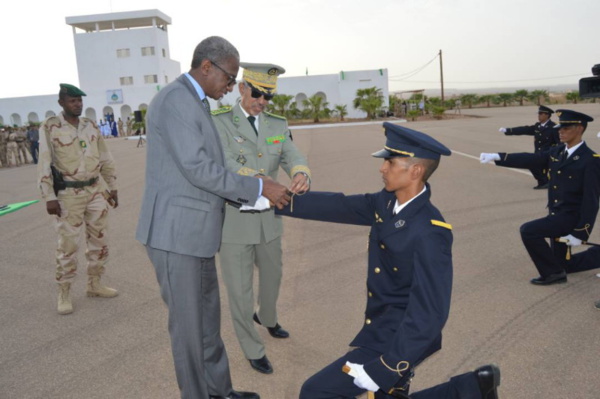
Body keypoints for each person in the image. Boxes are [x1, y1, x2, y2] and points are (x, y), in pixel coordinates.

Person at [276, 122, 500, 399]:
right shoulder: (386, 202)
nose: (382, 168)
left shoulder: (431, 231)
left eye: (390, 162)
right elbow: (340, 205)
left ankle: (467, 391)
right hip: (382, 325)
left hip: (399, 339)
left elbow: (430, 314)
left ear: (415, 170)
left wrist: (387, 368)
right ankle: (471, 390)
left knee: (316, 392)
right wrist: (277, 200)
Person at [136, 36, 291, 399]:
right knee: (189, 333)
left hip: (198, 235)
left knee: (207, 325)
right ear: (207, 66)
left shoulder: (195, 101)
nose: (230, 86)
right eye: (229, 76)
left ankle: (219, 392)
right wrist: (258, 188)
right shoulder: (176, 101)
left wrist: (255, 185)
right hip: (176, 236)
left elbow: (215, 165)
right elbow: (198, 169)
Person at [212, 63, 311, 375]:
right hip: (235, 221)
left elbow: (291, 154)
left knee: (273, 276)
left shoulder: (276, 125)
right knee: (240, 292)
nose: (262, 101)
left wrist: (300, 173)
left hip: (268, 219)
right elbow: (224, 163)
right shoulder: (220, 123)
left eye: (268, 96)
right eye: (257, 93)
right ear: (242, 88)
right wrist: (260, 181)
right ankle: (252, 347)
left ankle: (266, 317)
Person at [480, 109, 600, 285]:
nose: (560, 131)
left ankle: (553, 274)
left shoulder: (590, 159)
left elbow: (592, 200)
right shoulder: (557, 151)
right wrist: (499, 157)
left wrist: (580, 232)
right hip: (556, 213)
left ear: (579, 129)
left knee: (529, 231)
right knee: (563, 263)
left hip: (570, 218)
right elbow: (532, 159)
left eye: (566, 128)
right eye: (560, 128)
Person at [37, 83, 119, 315]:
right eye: (73, 100)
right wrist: (49, 196)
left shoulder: (90, 125)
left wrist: (112, 186)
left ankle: (94, 284)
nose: (78, 104)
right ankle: (64, 290)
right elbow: (44, 162)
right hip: (67, 195)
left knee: (99, 241)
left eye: (80, 100)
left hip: (94, 191)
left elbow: (105, 157)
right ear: (61, 102)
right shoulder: (50, 127)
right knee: (68, 245)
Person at [499, 105, 559, 189]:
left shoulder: (554, 127)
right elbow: (525, 129)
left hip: (548, 154)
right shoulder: (538, 126)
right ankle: (543, 182)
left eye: (541, 114)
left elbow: (559, 142)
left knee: (542, 168)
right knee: (531, 164)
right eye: (538, 113)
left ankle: (546, 182)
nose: (539, 115)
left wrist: (556, 153)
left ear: (547, 115)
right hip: (538, 153)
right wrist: (509, 130)